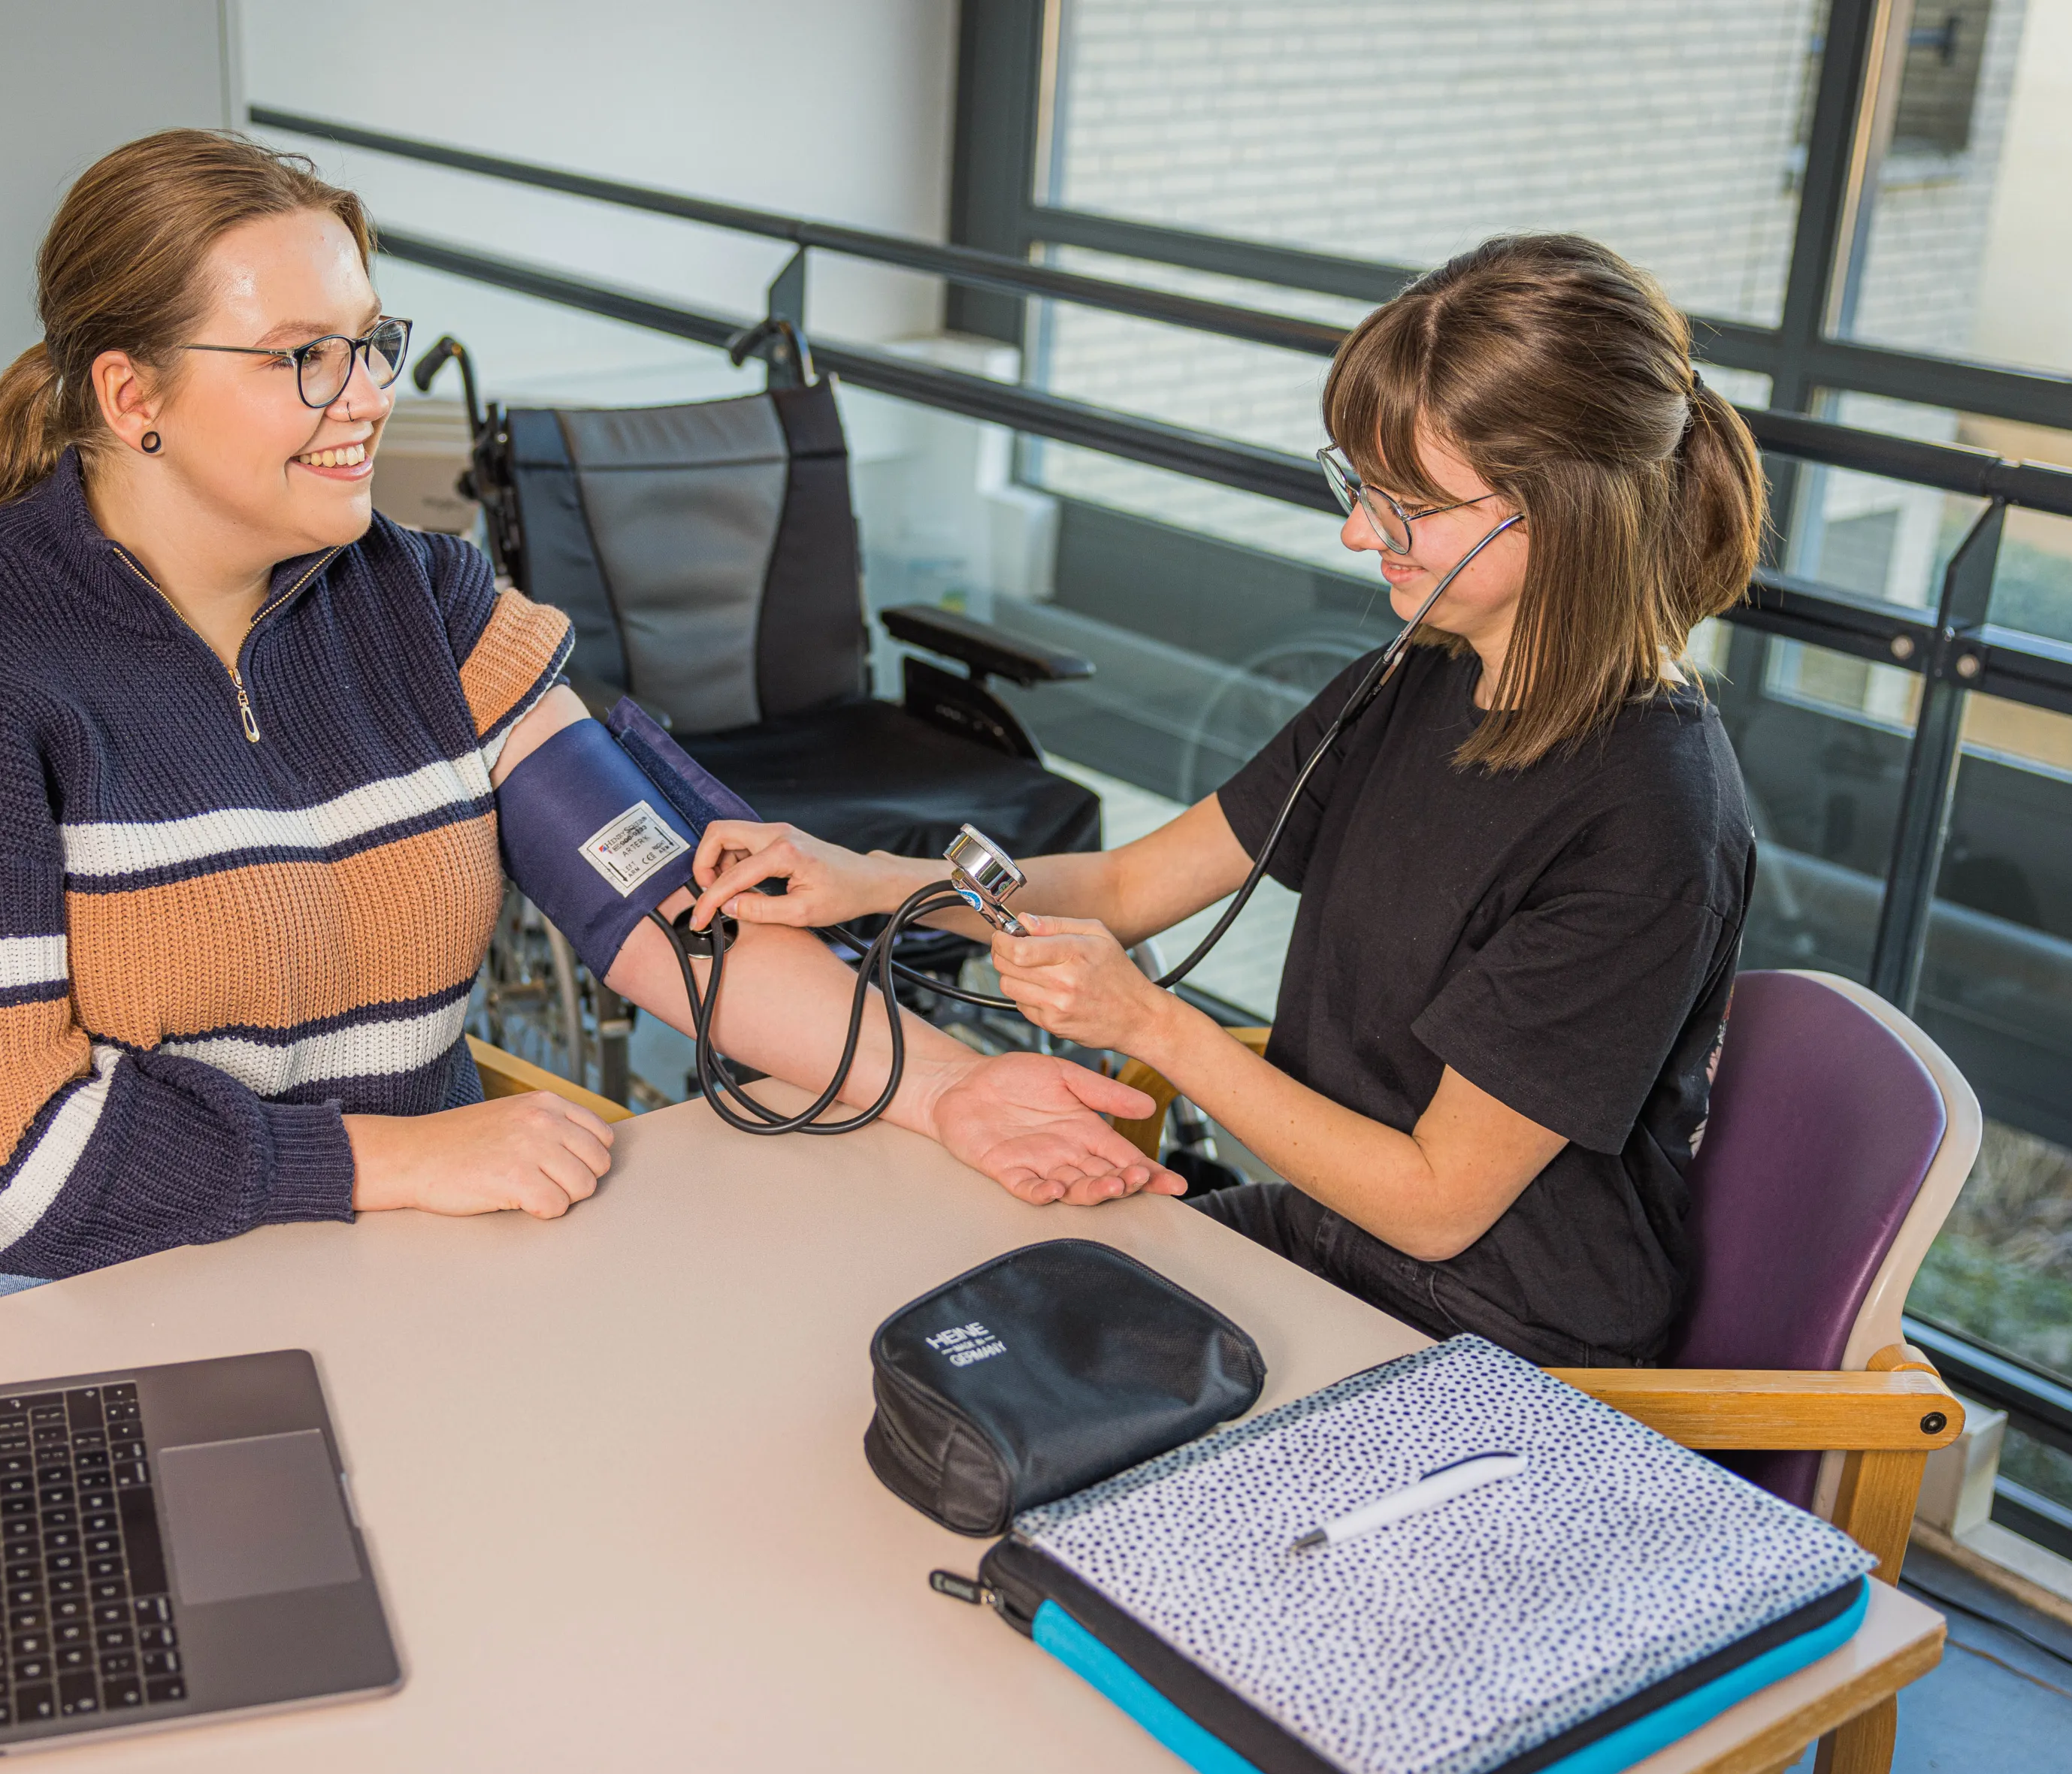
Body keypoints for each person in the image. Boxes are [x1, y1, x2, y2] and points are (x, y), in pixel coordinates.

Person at [0, 129, 1177, 1310]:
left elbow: (654, 898)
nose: (369, 400)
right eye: (299, 360)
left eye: (368, 342)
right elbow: (7, 1166)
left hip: (345, 1235)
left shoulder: (421, 598)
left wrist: (944, 1091)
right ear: (132, 395)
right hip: (5, 1289)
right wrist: (388, 1163)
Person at [690, 234, 1762, 1368]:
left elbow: (1440, 1202)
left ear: (1565, 511)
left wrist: (1152, 1024)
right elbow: (1128, 885)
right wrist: (867, 883)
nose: (1360, 533)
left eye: (1408, 504)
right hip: (1322, 1238)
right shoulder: (1416, 677)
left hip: (1493, 1333)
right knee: (955, 1315)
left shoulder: (1647, 824)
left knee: (1022, 1386)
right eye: (1360, 487)